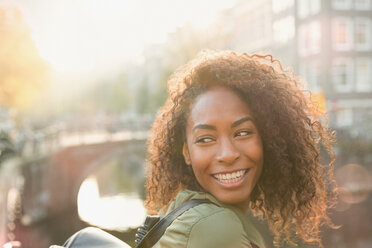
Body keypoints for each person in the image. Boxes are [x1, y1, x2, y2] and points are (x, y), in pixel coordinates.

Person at [145, 50, 336, 248]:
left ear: (267, 139)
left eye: (243, 133)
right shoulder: (215, 228)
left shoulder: (188, 211)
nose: (228, 154)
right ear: (186, 153)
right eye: (206, 139)